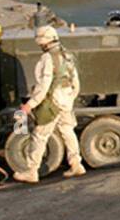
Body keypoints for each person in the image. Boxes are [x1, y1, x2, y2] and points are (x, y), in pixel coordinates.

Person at [12, 24, 85, 183]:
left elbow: (44, 85)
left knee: (40, 135)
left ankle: (31, 171)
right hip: (66, 100)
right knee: (67, 131)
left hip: (52, 102)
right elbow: (75, 82)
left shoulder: (48, 58)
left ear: (44, 41)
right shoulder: (67, 55)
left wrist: (30, 105)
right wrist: (70, 98)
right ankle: (76, 164)